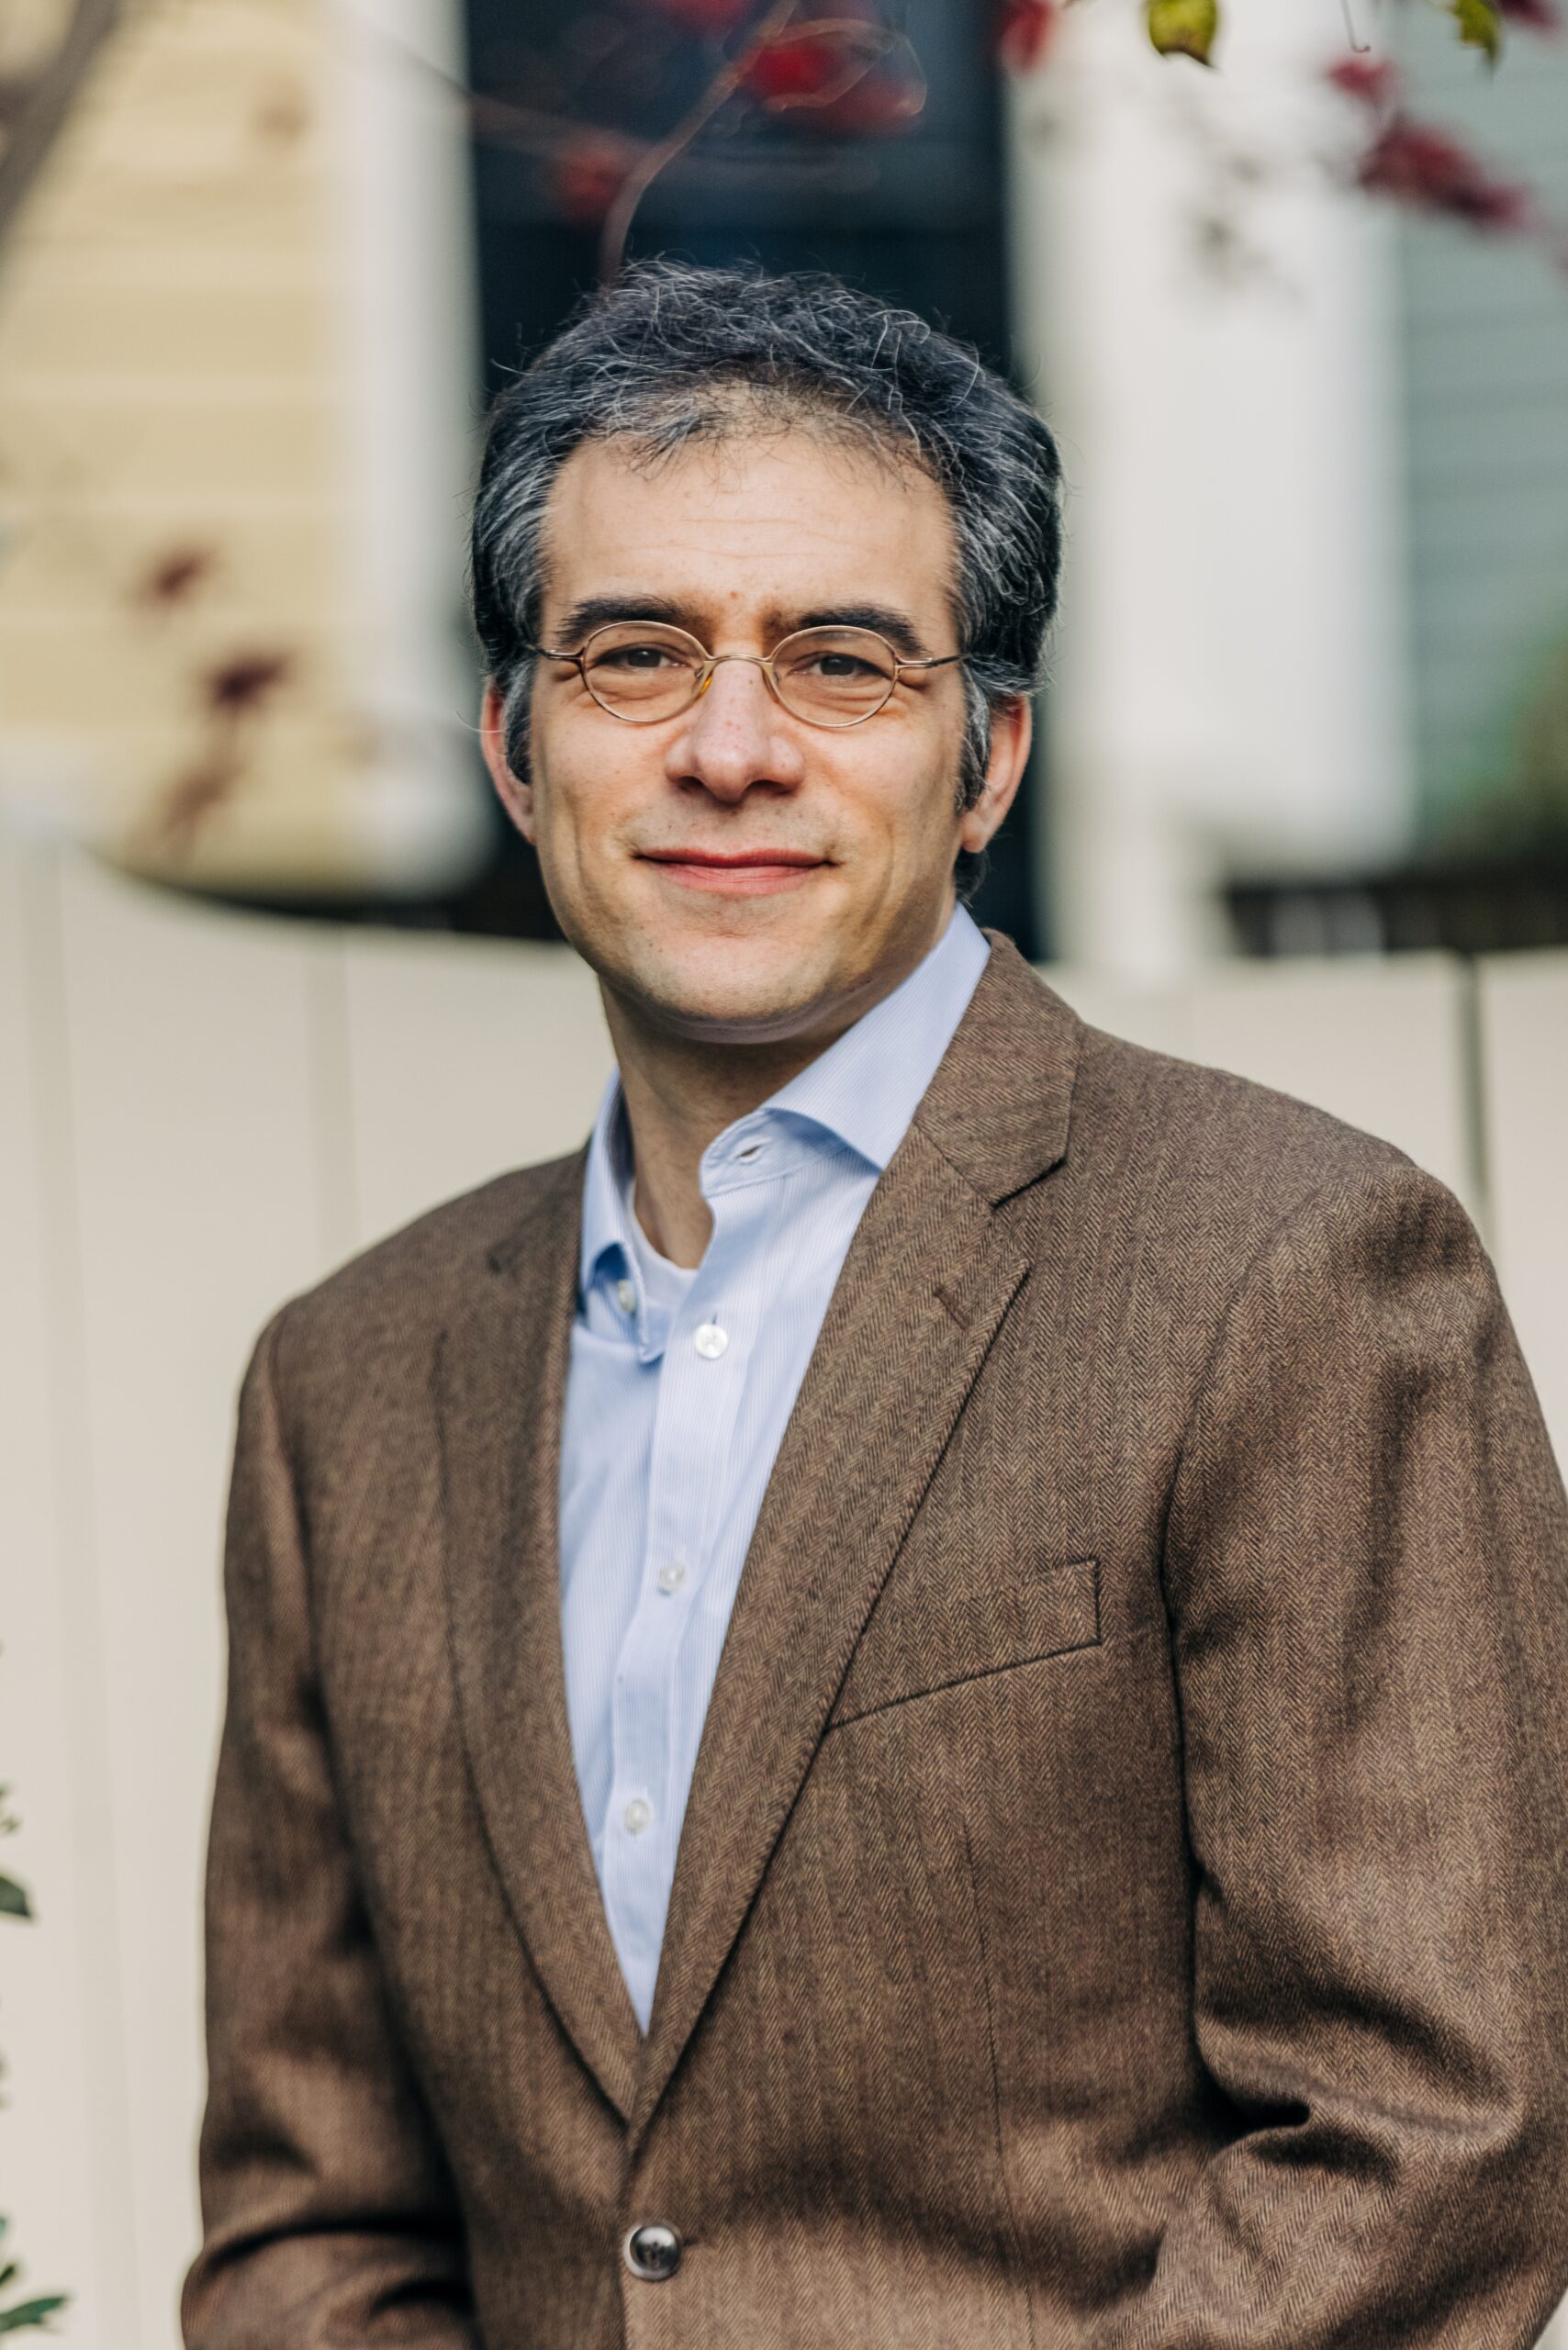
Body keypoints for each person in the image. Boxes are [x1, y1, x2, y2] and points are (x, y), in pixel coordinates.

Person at [182, 261, 1568, 2350]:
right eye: (634, 654)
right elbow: (311, 2220)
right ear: (513, 742)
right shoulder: (346, 1385)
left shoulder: (1292, 1273)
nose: (729, 748)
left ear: (985, 755)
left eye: (839, 661)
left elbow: (1430, 2135)